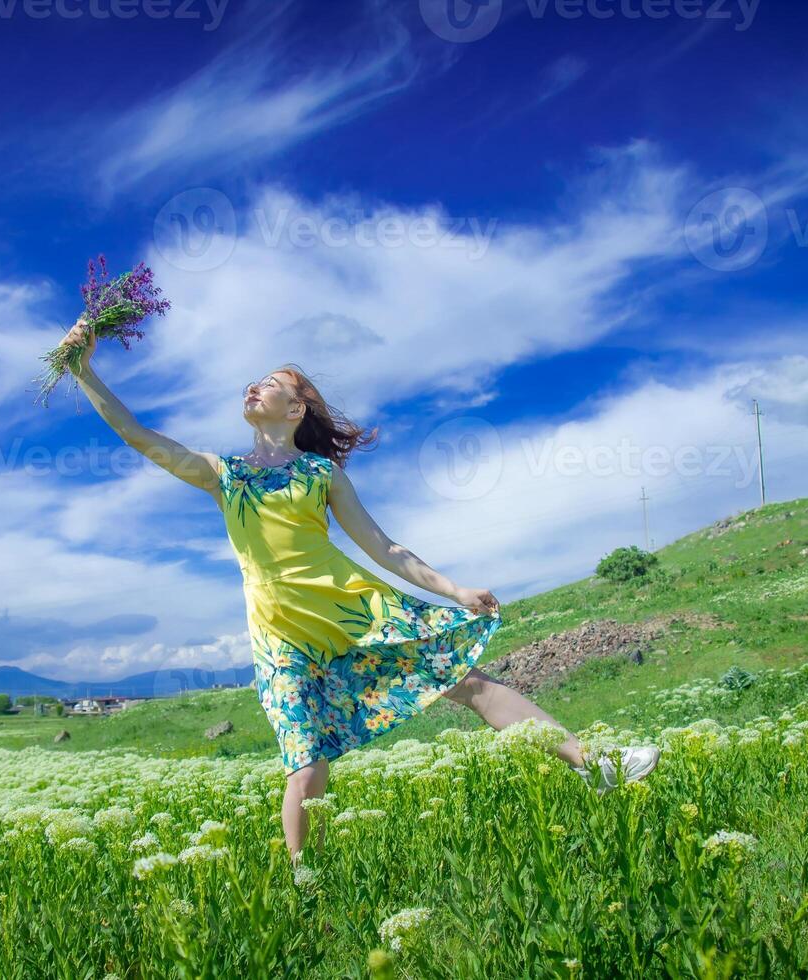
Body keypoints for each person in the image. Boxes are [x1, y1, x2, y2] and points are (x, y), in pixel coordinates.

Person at [61, 320, 660, 865]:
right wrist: (83, 370)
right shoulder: (225, 474)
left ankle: (596, 766)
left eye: (268, 384)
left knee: (471, 682)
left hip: (355, 611)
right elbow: (137, 435)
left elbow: (384, 547)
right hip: (282, 637)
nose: (252, 388)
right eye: (251, 382)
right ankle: (308, 886)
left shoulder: (321, 474)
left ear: (296, 408)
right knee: (307, 764)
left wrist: (455, 589)